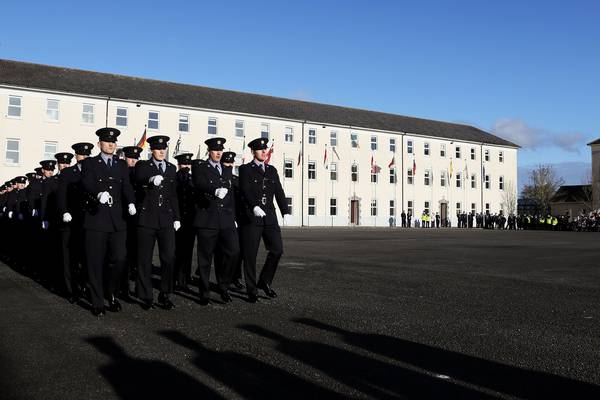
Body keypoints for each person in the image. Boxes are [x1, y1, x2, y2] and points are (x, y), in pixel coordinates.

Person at [81, 127, 136, 316]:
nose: (111, 144)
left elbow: (127, 186)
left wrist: (131, 203)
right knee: (95, 262)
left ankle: (110, 291)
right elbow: (86, 182)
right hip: (96, 219)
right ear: (99, 144)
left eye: (113, 142)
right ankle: (97, 301)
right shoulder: (90, 163)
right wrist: (98, 193)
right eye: (107, 142)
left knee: (119, 259)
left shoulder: (121, 165)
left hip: (117, 220)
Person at [239, 138, 290, 303]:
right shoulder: (245, 169)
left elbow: (279, 192)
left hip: (269, 216)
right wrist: (253, 205)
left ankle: (264, 281)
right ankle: (251, 290)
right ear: (253, 152)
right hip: (252, 216)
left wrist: (285, 211)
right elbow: (245, 189)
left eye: (265, 149)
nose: (264, 151)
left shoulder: (272, 170)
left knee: (277, 250)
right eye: (260, 149)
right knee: (250, 255)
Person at [134, 136, 180, 310]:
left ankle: (165, 293)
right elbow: (139, 179)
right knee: (144, 259)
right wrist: (150, 179)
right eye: (158, 149)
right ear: (152, 150)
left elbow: (173, 194)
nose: (162, 151)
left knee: (168, 257)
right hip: (147, 219)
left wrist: (177, 217)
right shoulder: (143, 166)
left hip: (166, 219)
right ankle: (146, 295)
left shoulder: (170, 168)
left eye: (164, 148)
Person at [192, 138, 239, 304]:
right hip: (207, 219)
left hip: (226, 219)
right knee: (205, 259)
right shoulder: (200, 167)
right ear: (209, 152)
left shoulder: (227, 170)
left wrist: (233, 218)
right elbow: (199, 184)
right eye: (215, 150)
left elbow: (231, 196)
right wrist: (214, 190)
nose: (219, 153)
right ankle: (204, 292)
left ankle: (223, 285)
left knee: (233, 252)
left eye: (220, 150)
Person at [56, 145, 92, 303]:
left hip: (88, 221)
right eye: (80, 155)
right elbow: (61, 194)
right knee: (70, 256)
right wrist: (64, 211)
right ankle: (71, 290)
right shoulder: (67, 173)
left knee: (87, 256)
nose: (83, 157)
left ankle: (85, 286)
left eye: (86, 155)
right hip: (70, 219)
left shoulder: (93, 171)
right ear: (76, 156)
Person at [121, 146, 143, 301]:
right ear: (125, 158)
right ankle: (123, 284)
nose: (133, 161)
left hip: (138, 217)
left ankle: (134, 277)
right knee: (123, 251)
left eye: (136, 158)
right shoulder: (121, 171)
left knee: (136, 249)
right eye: (130, 158)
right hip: (122, 216)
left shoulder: (140, 173)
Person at [173, 152, 196, 291]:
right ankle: (177, 278)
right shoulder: (174, 178)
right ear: (179, 165)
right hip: (178, 219)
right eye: (184, 164)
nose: (186, 166)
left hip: (191, 220)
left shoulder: (193, 179)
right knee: (177, 250)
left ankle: (186, 276)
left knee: (188, 250)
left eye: (188, 164)